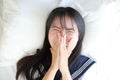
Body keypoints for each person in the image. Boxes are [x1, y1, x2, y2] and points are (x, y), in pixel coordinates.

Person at [16, 7, 96, 80]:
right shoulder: (31, 64)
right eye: (57, 29)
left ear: (79, 36)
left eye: (70, 31)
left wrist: (64, 70)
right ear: (48, 32)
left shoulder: (88, 67)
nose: (62, 36)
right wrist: (54, 67)